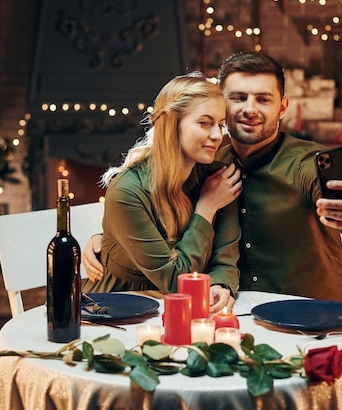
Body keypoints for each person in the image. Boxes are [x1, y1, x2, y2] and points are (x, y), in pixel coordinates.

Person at [84, 51, 342, 304]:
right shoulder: (207, 165)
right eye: (238, 97)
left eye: (263, 99)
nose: (249, 109)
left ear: (282, 107)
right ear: (221, 103)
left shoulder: (304, 163)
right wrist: (110, 245)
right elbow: (156, 225)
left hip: (309, 313)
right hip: (234, 315)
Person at [81, 72, 242, 313]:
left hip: (187, 311)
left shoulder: (217, 178)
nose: (218, 135)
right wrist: (206, 208)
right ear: (171, 125)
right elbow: (176, 280)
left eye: (220, 124)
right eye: (204, 123)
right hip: (114, 311)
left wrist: (221, 283)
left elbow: (226, 256)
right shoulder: (127, 191)